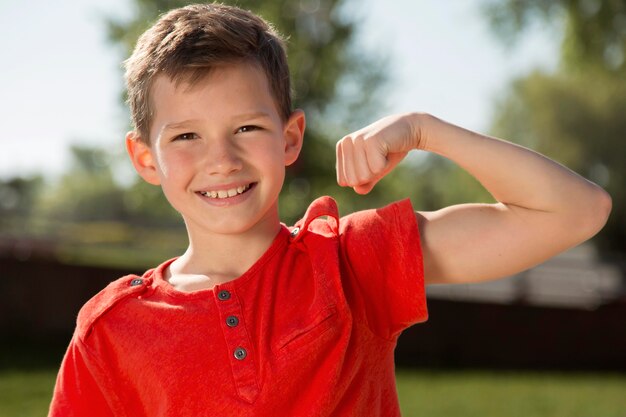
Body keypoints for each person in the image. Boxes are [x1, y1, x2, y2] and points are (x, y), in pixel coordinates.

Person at [47, 3, 611, 417]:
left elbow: (576, 211)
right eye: (187, 136)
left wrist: (424, 129)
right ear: (145, 158)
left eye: (247, 127)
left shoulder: (352, 260)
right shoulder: (111, 331)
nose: (222, 160)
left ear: (290, 138)